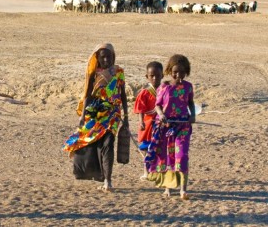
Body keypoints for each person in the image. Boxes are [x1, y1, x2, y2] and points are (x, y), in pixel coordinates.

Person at [63, 43, 129, 192]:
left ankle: (108, 180)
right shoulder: (94, 73)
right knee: (95, 143)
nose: (106, 60)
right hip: (96, 112)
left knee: (109, 142)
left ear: (113, 56)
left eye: (109, 57)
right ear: (98, 59)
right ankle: (99, 175)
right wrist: (83, 116)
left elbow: (123, 95)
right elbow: (87, 94)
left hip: (113, 113)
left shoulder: (119, 72)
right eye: (103, 57)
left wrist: (126, 116)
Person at [144, 54, 196, 200]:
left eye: (182, 72)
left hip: (182, 126)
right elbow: (158, 105)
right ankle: (168, 187)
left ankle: (183, 189)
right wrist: (161, 115)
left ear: (186, 72)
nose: (178, 75)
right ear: (169, 71)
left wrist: (193, 116)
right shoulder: (164, 87)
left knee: (182, 156)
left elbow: (191, 103)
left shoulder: (188, 87)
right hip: (166, 127)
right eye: (175, 72)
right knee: (168, 157)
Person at [133, 61, 163, 179]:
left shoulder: (164, 90)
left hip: (160, 124)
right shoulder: (145, 93)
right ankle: (146, 171)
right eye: (152, 76)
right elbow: (140, 109)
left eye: (158, 75)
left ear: (162, 75)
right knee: (147, 149)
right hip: (148, 124)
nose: (155, 78)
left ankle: (158, 170)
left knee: (160, 148)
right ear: (147, 77)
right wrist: (141, 121)